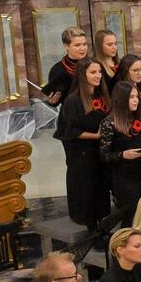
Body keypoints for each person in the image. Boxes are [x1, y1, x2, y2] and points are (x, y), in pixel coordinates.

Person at [55, 59, 110, 228]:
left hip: (100, 152)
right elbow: (70, 131)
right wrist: (96, 135)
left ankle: (103, 224)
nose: (98, 76)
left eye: (99, 72)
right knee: (88, 192)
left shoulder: (102, 96)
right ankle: (91, 228)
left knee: (102, 190)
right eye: (93, 72)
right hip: (83, 155)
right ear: (82, 75)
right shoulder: (73, 100)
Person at [99, 80, 141, 219]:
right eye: (131, 97)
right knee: (131, 216)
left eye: (137, 97)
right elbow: (103, 155)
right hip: (125, 177)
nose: (136, 100)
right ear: (121, 99)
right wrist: (123, 155)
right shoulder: (109, 123)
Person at [41, 26, 90, 105]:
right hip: (70, 113)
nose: (83, 48)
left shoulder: (94, 64)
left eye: (84, 44)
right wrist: (51, 102)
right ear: (66, 46)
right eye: (77, 45)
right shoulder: (58, 69)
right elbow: (55, 99)